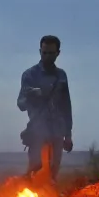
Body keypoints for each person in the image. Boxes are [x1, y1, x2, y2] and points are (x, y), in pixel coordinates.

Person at [17, 35, 73, 181]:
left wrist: (68, 134)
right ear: (40, 52)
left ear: (58, 53)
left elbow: (66, 105)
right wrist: (33, 94)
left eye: (51, 53)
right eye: (44, 52)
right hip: (38, 130)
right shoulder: (30, 75)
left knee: (53, 173)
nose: (47, 56)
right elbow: (21, 104)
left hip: (57, 130)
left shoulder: (61, 75)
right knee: (36, 169)